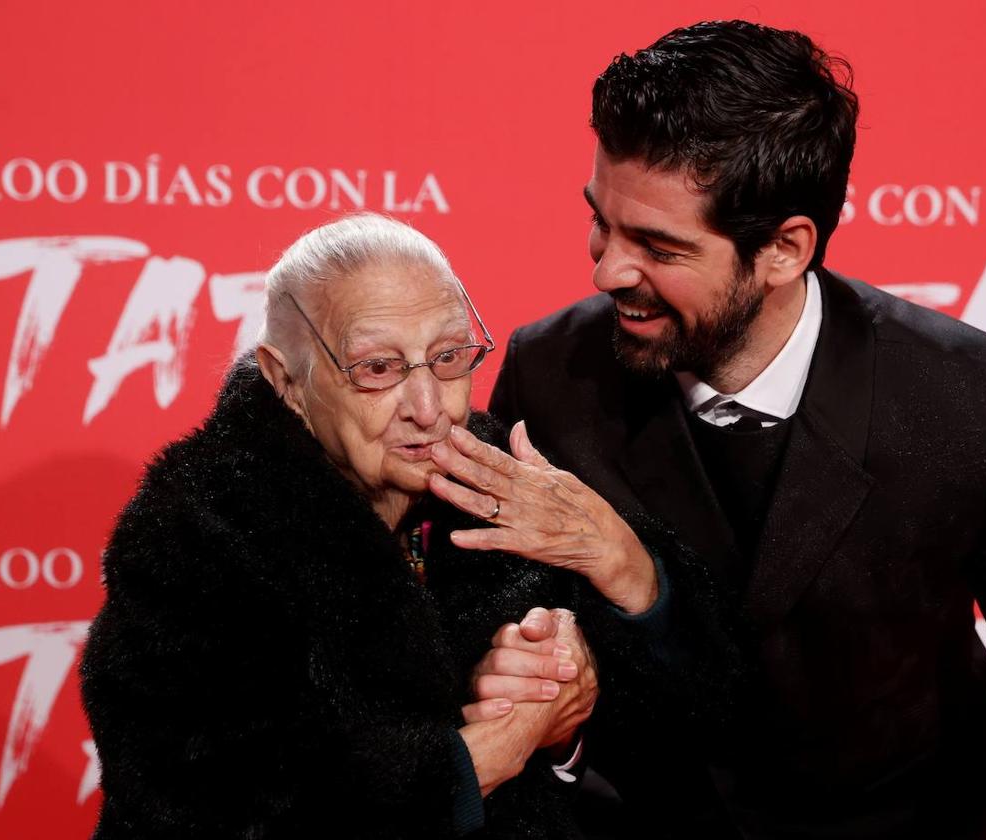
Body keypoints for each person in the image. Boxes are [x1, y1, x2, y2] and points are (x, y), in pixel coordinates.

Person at [467, 20, 986, 840]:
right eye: (602, 223)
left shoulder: (966, 394)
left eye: (657, 245)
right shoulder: (551, 373)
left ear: (785, 249)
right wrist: (545, 701)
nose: (606, 269)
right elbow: (495, 638)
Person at [79, 214, 611, 839]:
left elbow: (635, 745)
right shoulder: (196, 529)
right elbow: (200, 803)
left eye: (448, 358)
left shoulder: (500, 478)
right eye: (378, 369)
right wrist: (488, 755)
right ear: (285, 380)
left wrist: (563, 712)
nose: (429, 409)